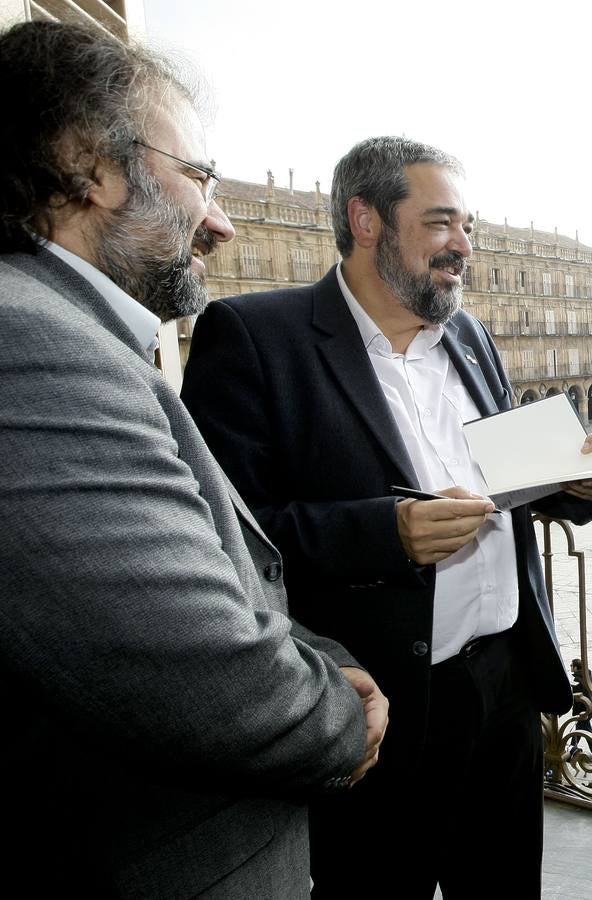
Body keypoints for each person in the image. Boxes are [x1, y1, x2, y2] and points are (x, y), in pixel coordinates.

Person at [181, 136, 592, 898]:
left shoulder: (468, 333)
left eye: (467, 228)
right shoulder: (258, 338)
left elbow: (510, 476)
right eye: (441, 224)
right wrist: (384, 534)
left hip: (506, 687)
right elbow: (220, 533)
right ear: (366, 220)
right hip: (383, 698)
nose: (464, 247)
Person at [0, 21, 386, 897]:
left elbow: (200, 579)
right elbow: (203, 679)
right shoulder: (30, 345)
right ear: (88, 165)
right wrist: (345, 715)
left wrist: (318, 653)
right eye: (200, 177)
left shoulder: (69, 333)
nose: (220, 223)